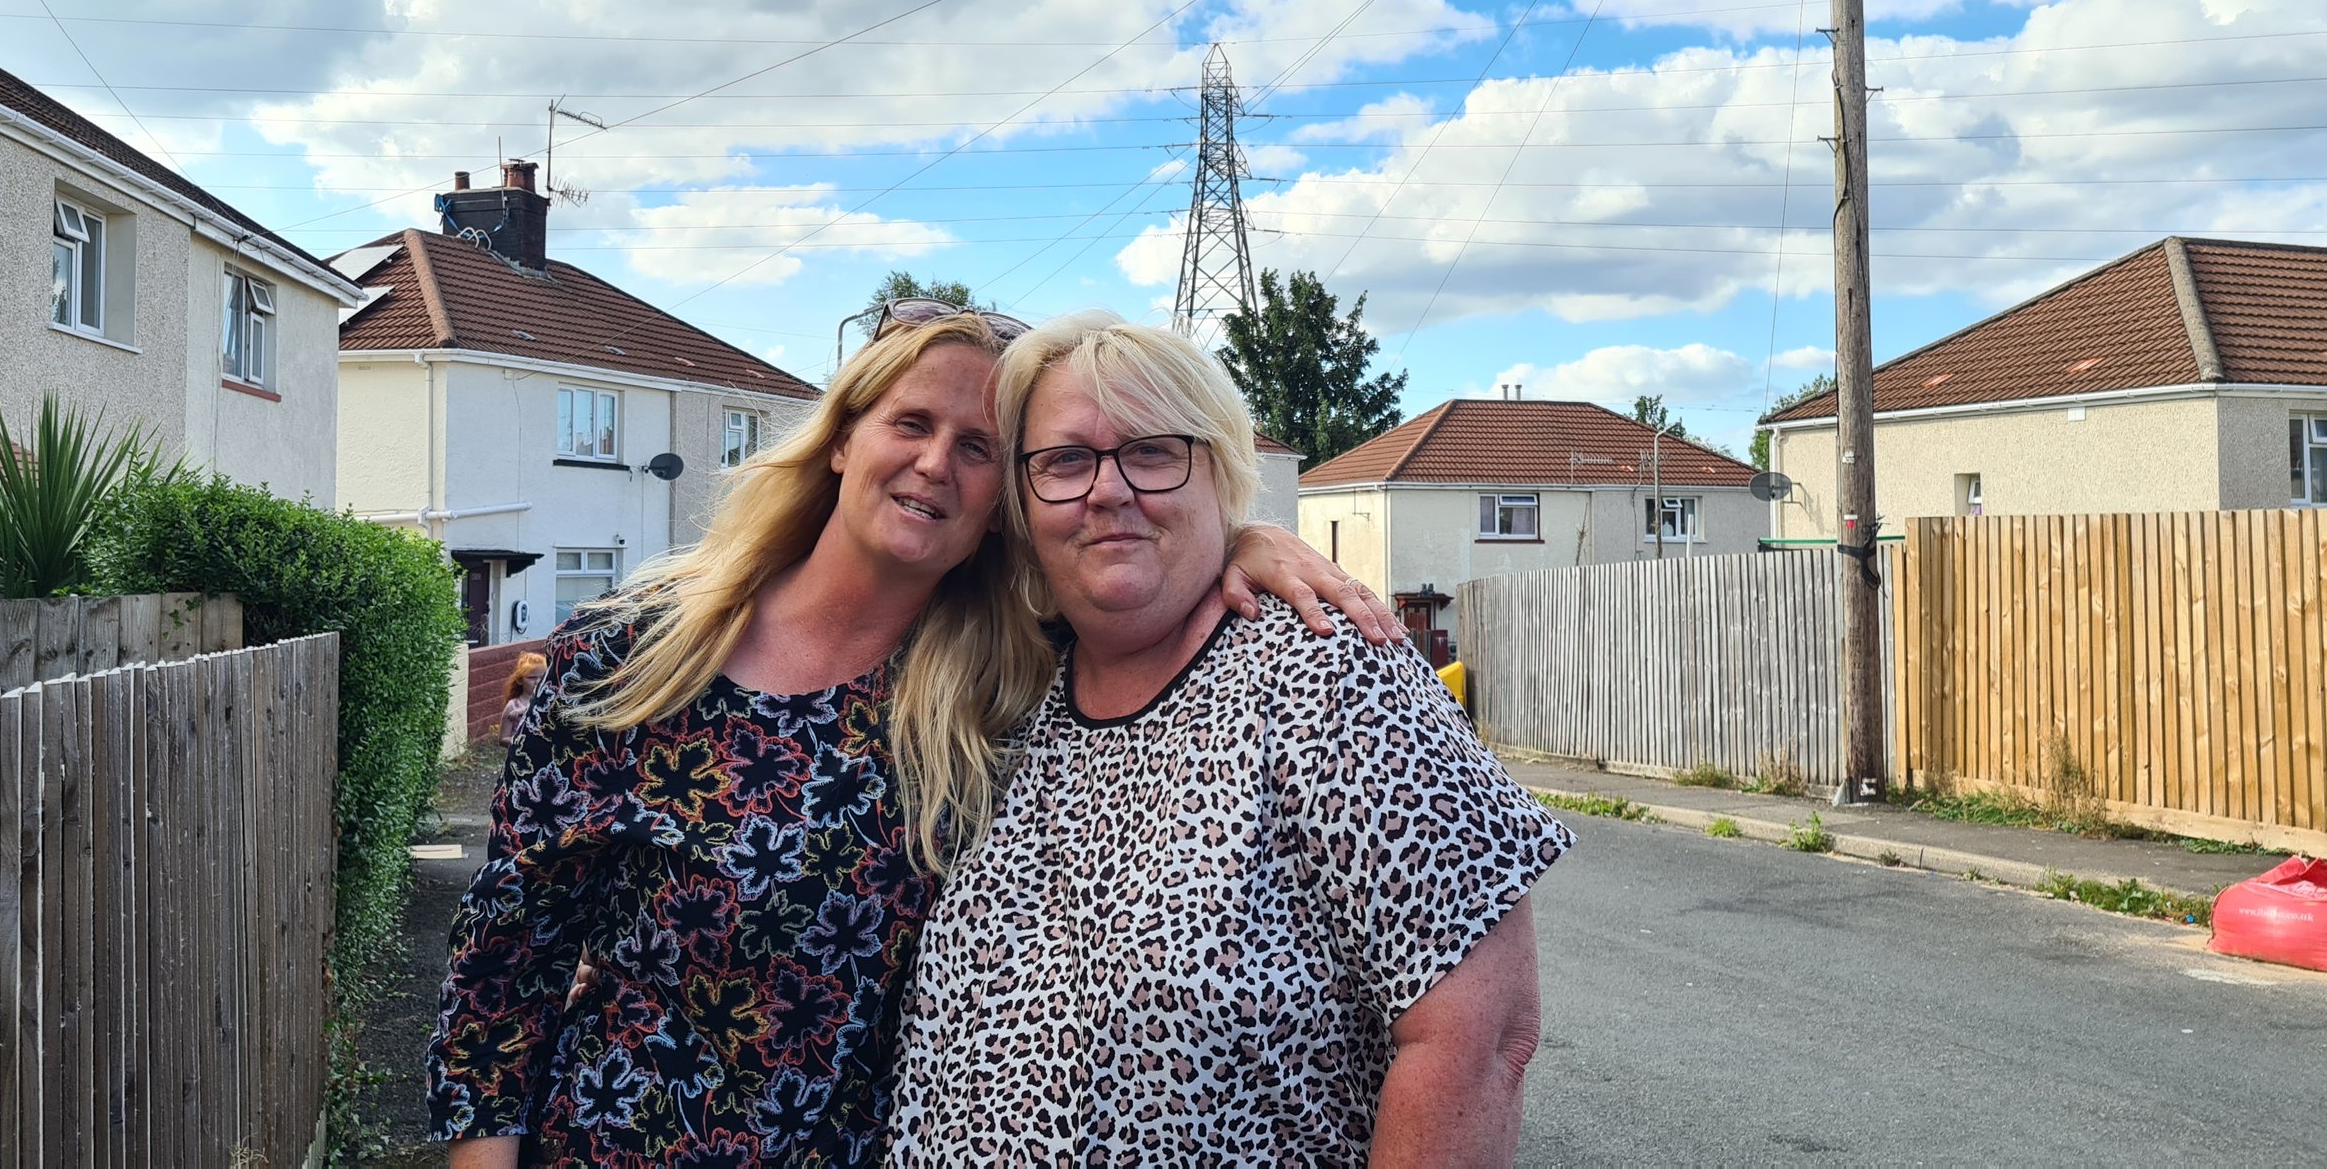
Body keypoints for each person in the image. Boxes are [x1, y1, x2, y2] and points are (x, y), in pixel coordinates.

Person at [427, 301, 1391, 1165]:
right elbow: (503, 970)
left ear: (1004, 506)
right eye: (911, 423)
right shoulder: (630, 659)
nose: (936, 463)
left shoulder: (1018, 687)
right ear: (843, 439)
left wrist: (1247, 541)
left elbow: (1152, 559)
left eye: (978, 447)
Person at [887, 313, 1574, 1166]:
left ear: (1219, 473)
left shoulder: (1330, 672)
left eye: (1152, 452)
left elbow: (1480, 1041)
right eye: (1064, 461)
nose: (1107, 490)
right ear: (1022, 510)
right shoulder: (1008, 691)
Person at [494, 651, 549, 747]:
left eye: (542, 677)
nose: (538, 682)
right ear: (520, 680)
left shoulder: (549, 701)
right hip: (522, 757)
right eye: (531, 678)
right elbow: (503, 739)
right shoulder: (513, 706)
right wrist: (523, 742)